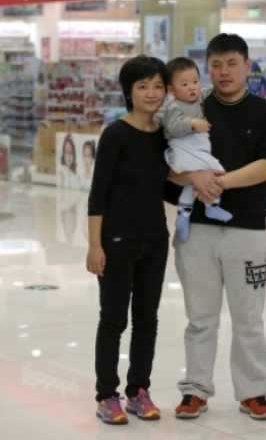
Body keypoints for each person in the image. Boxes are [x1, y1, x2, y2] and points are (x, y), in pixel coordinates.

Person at [173, 34, 266, 420]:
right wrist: (193, 177)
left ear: (248, 65)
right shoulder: (188, 110)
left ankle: (253, 392)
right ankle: (195, 389)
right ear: (207, 66)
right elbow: (165, 164)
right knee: (200, 317)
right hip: (197, 231)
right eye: (217, 65)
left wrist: (219, 181)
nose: (224, 72)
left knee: (249, 319)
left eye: (232, 64)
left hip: (248, 232)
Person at [86, 55, 182, 425]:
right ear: (128, 92)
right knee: (113, 320)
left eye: (158, 86)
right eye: (143, 86)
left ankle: (138, 391)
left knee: (147, 320)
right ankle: (106, 395)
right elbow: (98, 194)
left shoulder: (164, 134)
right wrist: (95, 244)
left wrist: (205, 178)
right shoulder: (115, 134)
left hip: (155, 240)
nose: (152, 93)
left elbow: (166, 184)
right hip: (117, 241)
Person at [161, 57, 232, 242]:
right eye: (185, 84)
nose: (192, 87)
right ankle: (212, 205)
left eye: (195, 81)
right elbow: (172, 127)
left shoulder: (200, 97)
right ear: (171, 90)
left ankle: (183, 216)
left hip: (198, 146)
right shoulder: (174, 106)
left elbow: (214, 92)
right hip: (185, 147)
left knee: (193, 183)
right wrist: (191, 123)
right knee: (217, 171)